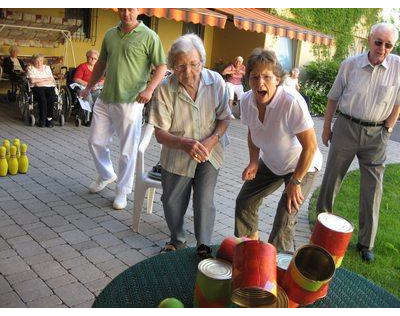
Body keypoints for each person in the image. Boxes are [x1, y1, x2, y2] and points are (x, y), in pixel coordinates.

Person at [316, 22, 400, 262]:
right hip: (346, 127)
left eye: (388, 45)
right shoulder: (349, 65)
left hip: (377, 135)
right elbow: (333, 98)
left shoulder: (398, 67)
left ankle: (366, 243)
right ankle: (323, 227)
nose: (382, 48)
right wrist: (326, 127)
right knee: (332, 178)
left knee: (373, 189)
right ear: (368, 39)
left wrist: (389, 127)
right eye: (378, 42)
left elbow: (397, 102)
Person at [149, 34, 231, 258]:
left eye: (194, 64)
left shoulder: (216, 82)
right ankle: (177, 239)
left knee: (204, 200)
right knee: (172, 200)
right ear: (172, 67)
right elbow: (160, 133)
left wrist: (212, 140)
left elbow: (225, 118)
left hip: (209, 151)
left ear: (202, 62)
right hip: (177, 152)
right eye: (181, 66)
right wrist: (184, 143)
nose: (188, 72)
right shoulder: (165, 89)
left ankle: (203, 245)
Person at [234, 48, 323, 252]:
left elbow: (310, 147)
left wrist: (295, 181)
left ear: (278, 80)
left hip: (302, 165)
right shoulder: (247, 100)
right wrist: (254, 161)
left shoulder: (291, 102)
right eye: (254, 77)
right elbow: (253, 132)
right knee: (245, 201)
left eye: (267, 76)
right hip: (273, 161)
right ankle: (251, 252)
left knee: (285, 217)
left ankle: (278, 268)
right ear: (248, 79)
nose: (260, 83)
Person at [81, 8, 167, 210]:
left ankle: (123, 190)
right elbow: (101, 63)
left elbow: (161, 66)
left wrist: (150, 89)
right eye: (123, 9)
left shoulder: (149, 36)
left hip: (131, 101)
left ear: (138, 11)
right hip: (105, 97)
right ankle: (107, 174)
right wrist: (88, 87)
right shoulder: (110, 34)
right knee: (95, 141)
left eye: (131, 9)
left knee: (127, 150)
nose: (126, 13)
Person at [26, 54, 57, 128]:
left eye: (41, 61)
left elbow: (52, 80)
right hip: (37, 88)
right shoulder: (30, 68)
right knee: (42, 99)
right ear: (33, 61)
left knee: (51, 98)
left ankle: (49, 119)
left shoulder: (47, 68)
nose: (39, 63)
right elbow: (32, 80)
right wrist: (46, 79)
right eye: (37, 61)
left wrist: (39, 81)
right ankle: (42, 119)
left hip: (49, 86)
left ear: (43, 61)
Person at [73, 49, 104, 125]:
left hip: (95, 88)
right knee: (88, 97)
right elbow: (76, 79)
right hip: (83, 88)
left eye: (95, 58)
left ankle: (97, 118)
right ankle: (87, 119)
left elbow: (103, 80)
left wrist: (97, 85)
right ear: (87, 57)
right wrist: (89, 85)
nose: (93, 60)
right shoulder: (82, 67)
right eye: (91, 58)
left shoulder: (98, 68)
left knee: (101, 98)